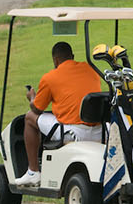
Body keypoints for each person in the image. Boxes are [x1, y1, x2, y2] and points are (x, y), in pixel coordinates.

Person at [13, 41, 104, 186]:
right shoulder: (91, 70)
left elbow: (37, 109)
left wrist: (31, 97)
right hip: (100, 131)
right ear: (72, 56)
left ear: (55, 60)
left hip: (73, 132)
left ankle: (33, 172)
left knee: (30, 118)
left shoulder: (50, 78)